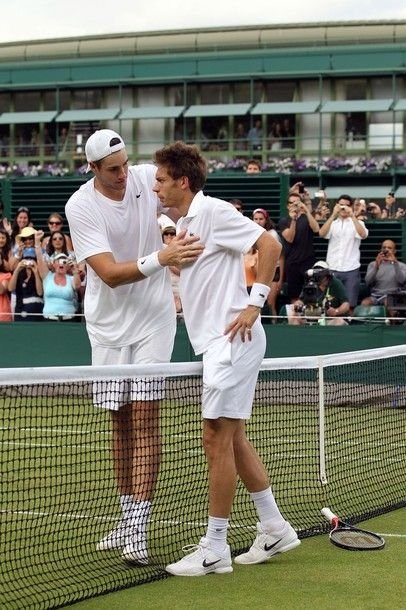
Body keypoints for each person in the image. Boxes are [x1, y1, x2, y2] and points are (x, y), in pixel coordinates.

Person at [153, 141, 300, 577]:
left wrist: (255, 303)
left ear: (182, 181)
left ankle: (215, 547)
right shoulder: (188, 223)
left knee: (215, 438)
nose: (156, 186)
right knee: (232, 439)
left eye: (161, 179)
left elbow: (269, 244)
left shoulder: (214, 211)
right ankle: (274, 526)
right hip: (218, 344)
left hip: (232, 339)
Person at [65, 129, 204, 565]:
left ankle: (138, 529)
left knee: (144, 418)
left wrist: (166, 227)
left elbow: (174, 201)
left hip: (153, 320)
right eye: (112, 169)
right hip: (106, 326)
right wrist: (162, 257)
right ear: (92, 169)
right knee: (120, 423)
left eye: (125, 164)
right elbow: (108, 273)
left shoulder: (144, 176)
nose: (124, 174)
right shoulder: (80, 206)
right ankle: (126, 518)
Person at [319, 194, 368, 311]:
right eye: (341, 205)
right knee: (330, 302)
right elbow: (322, 233)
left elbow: (363, 234)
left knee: (350, 305)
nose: (343, 208)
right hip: (333, 268)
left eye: (346, 205)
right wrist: (333, 215)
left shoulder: (358, 223)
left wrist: (352, 215)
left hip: (351, 269)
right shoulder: (333, 223)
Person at [278, 189, 320, 302]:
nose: (295, 205)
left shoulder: (307, 218)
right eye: (292, 203)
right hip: (292, 264)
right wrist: (294, 219)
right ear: (288, 206)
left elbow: (316, 229)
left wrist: (306, 210)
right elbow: (290, 238)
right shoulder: (284, 221)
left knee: (311, 293)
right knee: (294, 297)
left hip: (308, 261)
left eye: (297, 202)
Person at [287, 261, 350, 326]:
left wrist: (336, 311)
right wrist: (297, 304)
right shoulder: (310, 283)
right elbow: (301, 300)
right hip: (313, 317)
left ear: (327, 276)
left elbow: (346, 304)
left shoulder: (335, 283)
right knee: (293, 317)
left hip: (330, 319)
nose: (318, 278)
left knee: (339, 322)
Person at [252, 208, 284, 319]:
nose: (258, 221)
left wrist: (280, 279)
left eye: (261, 219)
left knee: (270, 304)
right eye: (256, 219)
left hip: (273, 272)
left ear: (266, 220)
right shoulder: (251, 233)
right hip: (256, 271)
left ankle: (274, 323)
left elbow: (280, 258)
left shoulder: (272, 234)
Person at [361, 240, 406, 315]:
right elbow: (368, 282)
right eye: (384, 247)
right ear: (381, 250)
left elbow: (402, 281)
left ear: (394, 251)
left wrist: (395, 263)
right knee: (365, 303)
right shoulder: (373, 264)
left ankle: (392, 325)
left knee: (388, 303)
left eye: (389, 248)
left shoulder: (401, 266)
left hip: (393, 295)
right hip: (376, 295)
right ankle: (366, 326)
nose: (386, 250)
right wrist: (376, 267)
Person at [8, 244, 43, 321]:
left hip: (37, 312)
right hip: (21, 311)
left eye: (31, 258)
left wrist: (36, 272)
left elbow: (40, 292)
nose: (29, 261)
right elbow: (10, 288)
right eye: (26, 258)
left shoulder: (40, 272)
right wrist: (17, 269)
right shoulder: (19, 273)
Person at [161, 225, 182, 313]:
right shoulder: (159, 248)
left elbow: (182, 271)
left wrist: (166, 262)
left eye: (172, 233)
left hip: (177, 288)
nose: (169, 236)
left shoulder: (181, 249)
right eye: (166, 233)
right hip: (163, 289)